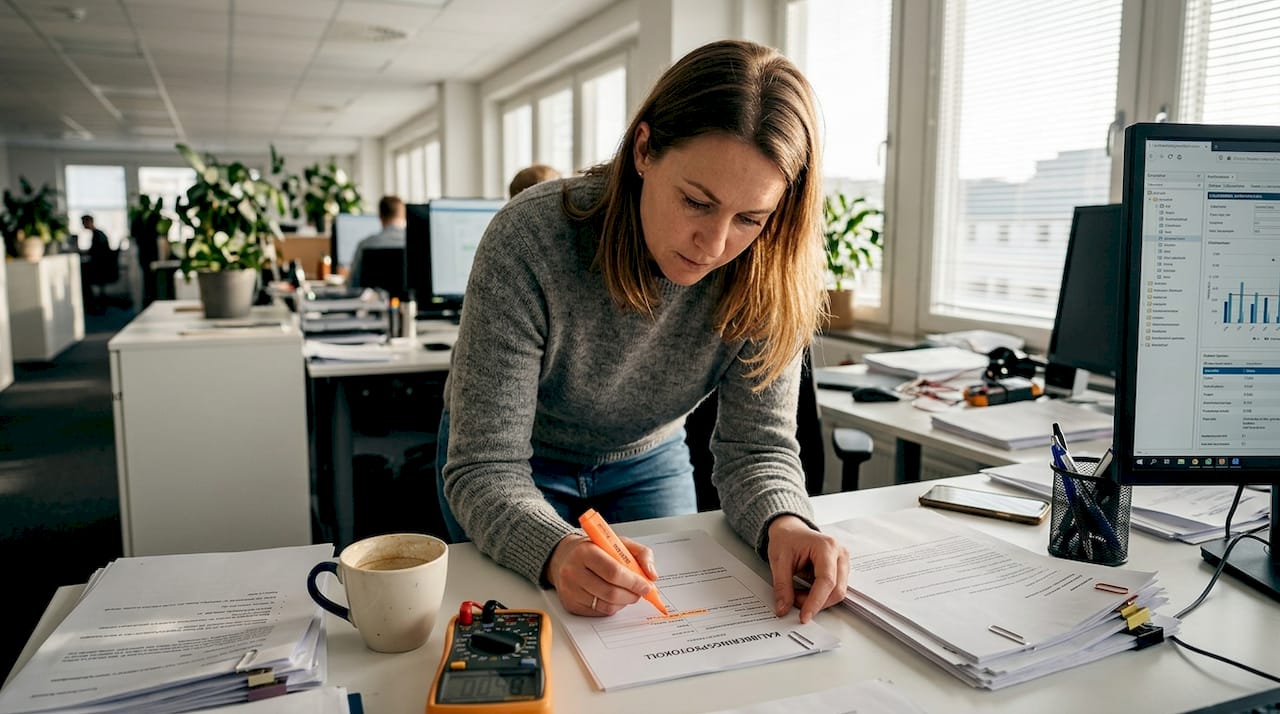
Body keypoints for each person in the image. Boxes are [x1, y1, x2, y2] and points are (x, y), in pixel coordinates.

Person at [435, 38, 849, 624]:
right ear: (644, 149)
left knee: (659, 626)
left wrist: (786, 522)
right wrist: (555, 551)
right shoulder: (529, 239)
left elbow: (756, 449)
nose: (715, 245)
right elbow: (485, 466)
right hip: (517, 463)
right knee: (546, 633)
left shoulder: (771, 271)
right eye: (696, 202)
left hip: (646, 458)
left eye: (749, 219)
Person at [347, 195, 406, 288]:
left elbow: (352, 285)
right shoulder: (415, 245)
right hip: (407, 301)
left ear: (380, 216)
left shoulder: (365, 245)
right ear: (404, 215)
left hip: (372, 301)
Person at [82, 215, 117, 314]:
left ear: (90, 222)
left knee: (84, 279)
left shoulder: (98, 235)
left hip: (101, 267)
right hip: (101, 266)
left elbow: (96, 252)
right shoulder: (98, 234)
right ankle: (94, 305)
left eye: (84, 222)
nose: (83, 225)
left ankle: (92, 306)